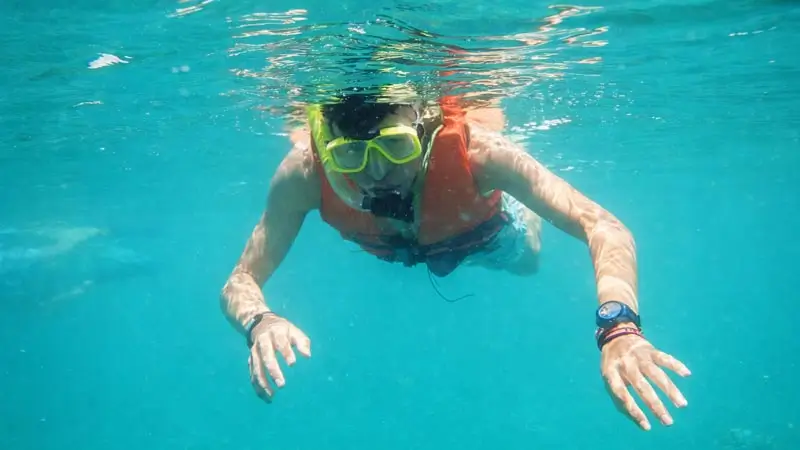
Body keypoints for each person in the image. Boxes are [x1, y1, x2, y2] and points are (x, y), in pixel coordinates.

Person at [219, 88, 691, 431]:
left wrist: (619, 327)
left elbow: (603, 225)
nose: (377, 175)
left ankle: (514, 207)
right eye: (351, 157)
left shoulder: (479, 153)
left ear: (425, 131)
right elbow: (240, 280)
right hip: (397, 248)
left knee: (528, 260)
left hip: (484, 234)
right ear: (327, 150)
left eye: (396, 146)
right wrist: (259, 322)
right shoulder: (302, 173)